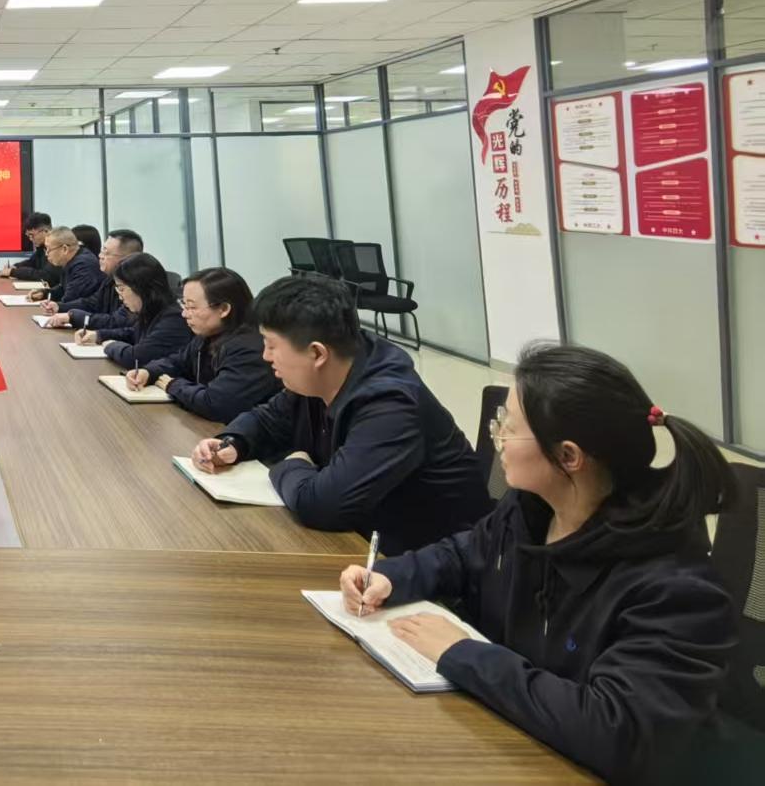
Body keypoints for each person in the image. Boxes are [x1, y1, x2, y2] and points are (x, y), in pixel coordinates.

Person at [340, 344, 736, 782]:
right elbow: (467, 553)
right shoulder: (531, 510)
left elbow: (616, 732)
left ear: (568, 457)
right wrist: (392, 577)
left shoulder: (675, 590)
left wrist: (463, 654)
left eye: (508, 426)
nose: (497, 436)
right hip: (510, 740)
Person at [193, 275, 491, 554]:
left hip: (427, 563)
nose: (265, 356)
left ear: (317, 353)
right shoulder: (325, 373)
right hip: (363, 542)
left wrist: (290, 464)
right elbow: (268, 419)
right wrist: (233, 442)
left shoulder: (390, 404)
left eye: (272, 345)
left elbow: (322, 505)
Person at [125, 267, 280, 423]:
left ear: (223, 309)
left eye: (192, 307)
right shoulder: (208, 334)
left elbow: (216, 404)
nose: (184, 314)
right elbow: (178, 362)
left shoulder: (249, 349)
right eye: (184, 305)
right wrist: (149, 372)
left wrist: (173, 385)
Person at [73, 252, 187, 369]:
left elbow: (135, 358)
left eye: (122, 289)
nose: (120, 297)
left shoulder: (174, 319)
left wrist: (111, 345)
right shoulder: (152, 310)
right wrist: (99, 335)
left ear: (141, 288)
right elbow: (133, 333)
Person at [43, 228, 142, 327]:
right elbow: (93, 303)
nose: (100, 256)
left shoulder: (135, 287)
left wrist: (74, 317)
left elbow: (116, 322)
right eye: (102, 251)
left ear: (127, 258)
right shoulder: (110, 278)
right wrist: (59, 307)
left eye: (106, 253)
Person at [30, 226, 105, 307]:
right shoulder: (72, 260)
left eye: (49, 249)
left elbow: (69, 300)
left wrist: (56, 306)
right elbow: (63, 289)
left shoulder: (83, 266)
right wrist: (44, 294)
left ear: (65, 249)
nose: (46, 254)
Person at [0, 212, 60, 284]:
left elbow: (46, 275)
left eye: (32, 235)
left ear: (45, 231)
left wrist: (13, 272)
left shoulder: (57, 247)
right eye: (28, 236)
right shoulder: (42, 247)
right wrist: (15, 267)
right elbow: (32, 262)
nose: (30, 239)